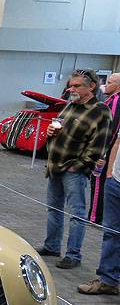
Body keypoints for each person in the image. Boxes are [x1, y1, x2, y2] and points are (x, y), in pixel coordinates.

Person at [39, 69, 112, 269]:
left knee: (77, 214)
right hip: (55, 167)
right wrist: (50, 132)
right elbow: (57, 129)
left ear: (91, 87)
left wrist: (78, 167)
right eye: (71, 85)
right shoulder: (70, 106)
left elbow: (100, 145)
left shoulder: (100, 111)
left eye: (77, 86)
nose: (72, 89)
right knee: (53, 209)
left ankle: (74, 254)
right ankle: (52, 245)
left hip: (74, 171)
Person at [78, 132, 120, 295]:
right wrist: (109, 174)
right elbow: (117, 142)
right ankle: (108, 281)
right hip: (115, 182)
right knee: (111, 233)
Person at [89, 73, 120, 224]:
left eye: (109, 82)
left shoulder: (116, 101)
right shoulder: (112, 100)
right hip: (106, 151)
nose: (106, 85)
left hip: (104, 152)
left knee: (97, 183)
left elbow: (110, 128)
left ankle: (94, 217)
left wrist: (102, 153)